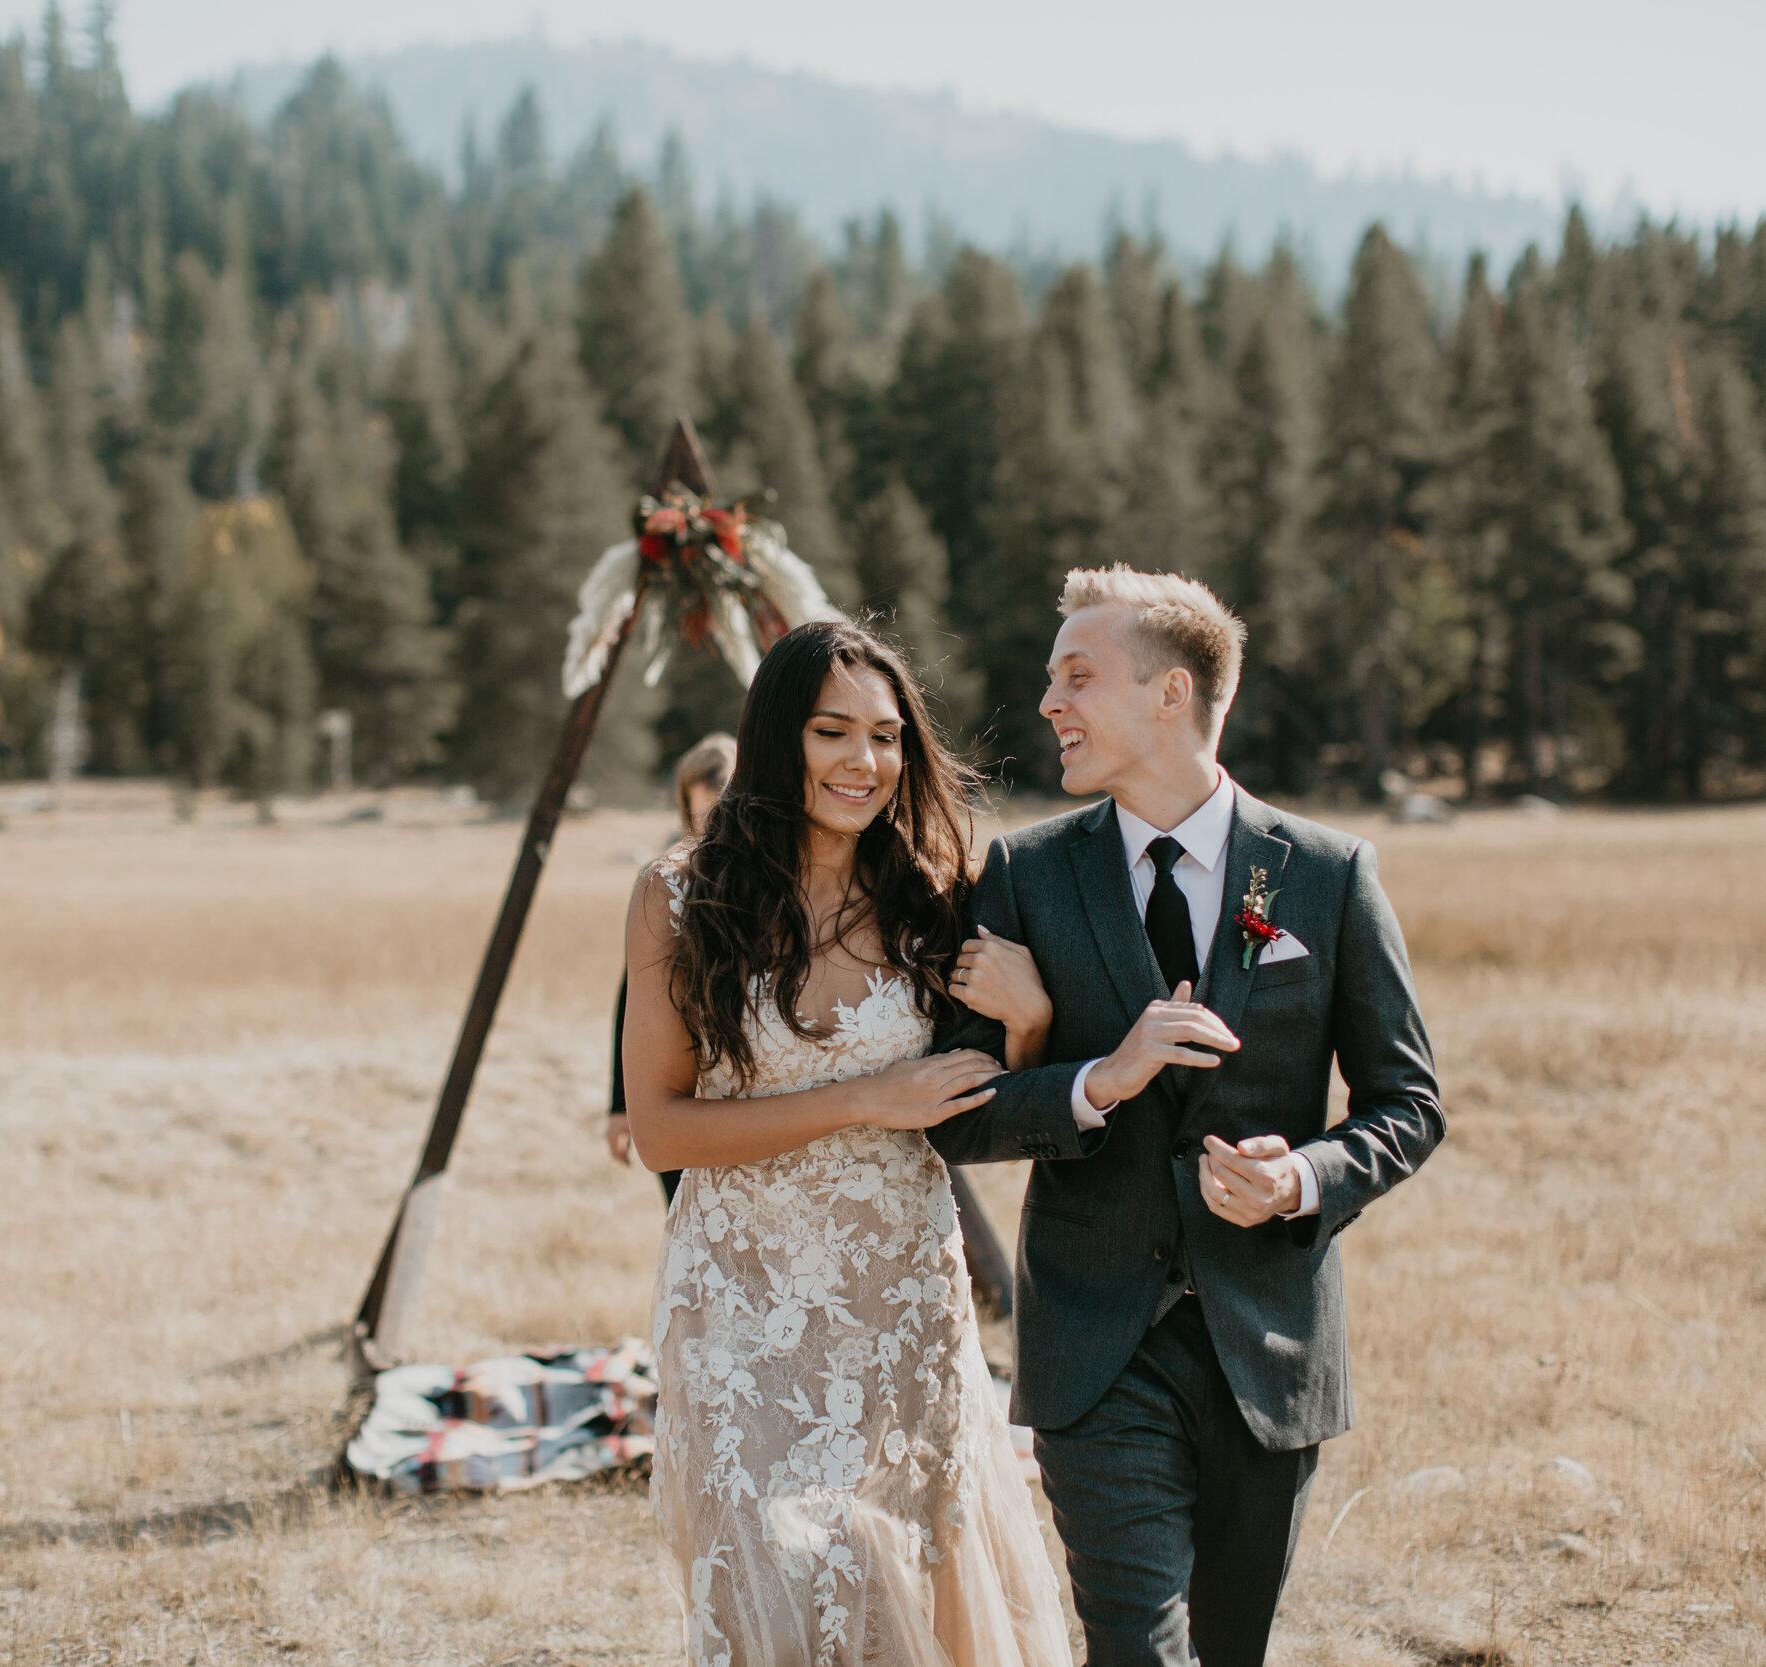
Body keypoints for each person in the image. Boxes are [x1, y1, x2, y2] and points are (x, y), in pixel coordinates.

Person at [931, 566, 1443, 1667]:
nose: (1047, 703)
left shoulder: (1324, 873)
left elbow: (1407, 1103)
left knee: (1230, 1650)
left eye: (1076, 675)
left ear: (1171, 693)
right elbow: (958, 1115)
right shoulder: (1023, 874)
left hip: (1270, 1347)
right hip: (1093, 1347)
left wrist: (1301, 1175)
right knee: (1136, 1646)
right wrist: (1094, 1080)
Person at [622, 620, 1072, 1667]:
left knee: (912, 1553)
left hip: (897, 1287)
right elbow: (659, 1128)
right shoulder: (679, 899)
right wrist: (867, 1095)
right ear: (780, 737)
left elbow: (998, 1092)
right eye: (833, 732)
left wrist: (1035, 1020)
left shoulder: (940, 893)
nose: (864, 762)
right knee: (767, 1563)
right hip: (739, 1293)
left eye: (886, 736)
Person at [608, 733, 737, 1205]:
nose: (711, 830)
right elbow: (633, 998)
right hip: (679, 1088)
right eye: (700, 817)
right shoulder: (664, 883)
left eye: (722, 813)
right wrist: (621, 1105)